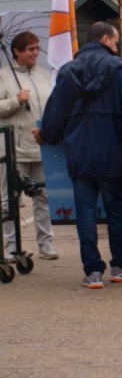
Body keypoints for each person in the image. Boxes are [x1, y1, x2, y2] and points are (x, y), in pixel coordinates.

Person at [36, 22, 122, 289]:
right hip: (112, 150)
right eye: (115, 41)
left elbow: (53, 116)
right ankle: (121, 266)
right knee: (116, 212)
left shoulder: (67, 71)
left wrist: (48, 135)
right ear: (105, 39)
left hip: (79, 154)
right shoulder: (119, 68)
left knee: (86, 215)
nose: (117, 46)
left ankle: (92, 273)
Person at [0, 31, 58, 262]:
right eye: (30, 49)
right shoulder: (3, 76)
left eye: (37, 48)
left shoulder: (45, 76)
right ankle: (11, 246)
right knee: (9, 199)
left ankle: (46, 243)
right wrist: (16, 100)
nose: (36, 53)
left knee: (43, 195)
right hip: (13, 149)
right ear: (17, 51)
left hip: (41, 146)